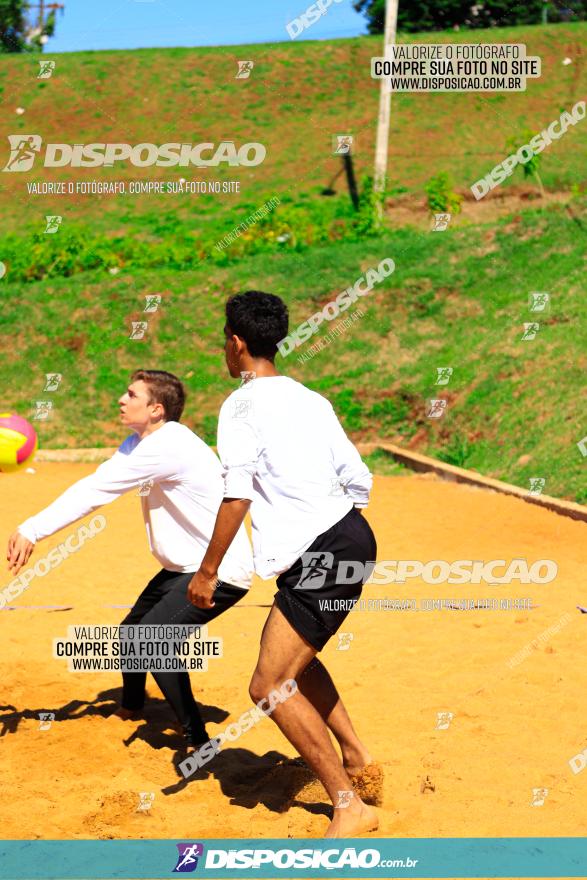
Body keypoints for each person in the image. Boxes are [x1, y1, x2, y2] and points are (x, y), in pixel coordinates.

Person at [187, 292, 381, 838]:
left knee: (269, 684)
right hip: (350, 536)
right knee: (296, 659)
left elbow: (237, 494)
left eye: (225, 341)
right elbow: (357, 476)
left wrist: (206, 572)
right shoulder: (309, 397)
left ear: (237, 343)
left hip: (322, 548)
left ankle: (349, 804)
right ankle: (356, 755)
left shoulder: (239, 405)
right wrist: (328, 522)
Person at [6, 369, 254, 748]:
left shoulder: (166, 446)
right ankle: (133, 707)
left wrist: (33, 529)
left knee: (152, 641)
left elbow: (95, 491)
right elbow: (99, 479)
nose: (121, 400)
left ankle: (198, 739)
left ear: (156, 409)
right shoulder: (139, 442)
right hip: (184, 567)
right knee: (131, 633)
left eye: (131, 394)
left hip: (219, 571)